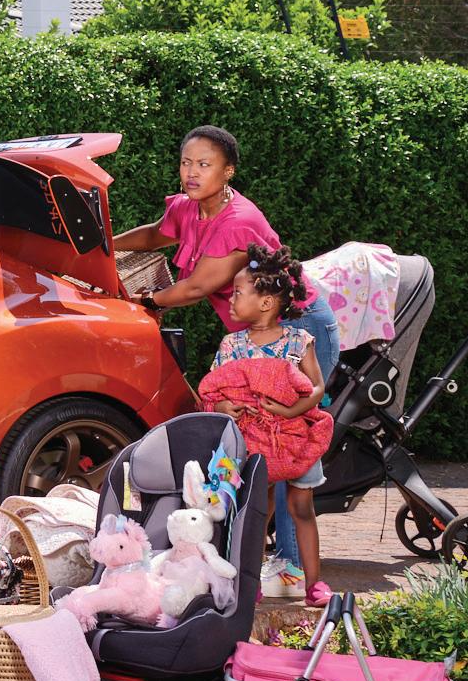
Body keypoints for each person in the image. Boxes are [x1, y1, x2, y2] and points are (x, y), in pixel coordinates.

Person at [113, 125, 340, 587]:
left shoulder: (237, 221)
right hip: (252, 336)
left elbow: (196, 287)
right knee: (258, 439)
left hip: (298, 327)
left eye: (205, 164)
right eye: (186, 162)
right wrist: (107, 245)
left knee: (287, 441)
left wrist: (143, 300)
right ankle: (263, 555)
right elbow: (156, 235)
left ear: (228, 171)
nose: (192, 172)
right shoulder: (189, 207)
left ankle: (292, 566)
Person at [203, 247, 330, 605]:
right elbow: (213, 390)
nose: (230, 300)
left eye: (238, 293)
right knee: (258, 510)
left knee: (301, 507)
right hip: (254, 438)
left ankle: (314, 585)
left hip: (296, 437)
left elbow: (317, 388)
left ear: (266, 302)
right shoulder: (232, 345)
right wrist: (223, 407)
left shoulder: (299, 341)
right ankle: (251, 582)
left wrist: (292, 411)